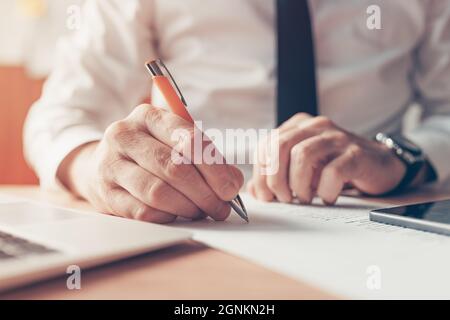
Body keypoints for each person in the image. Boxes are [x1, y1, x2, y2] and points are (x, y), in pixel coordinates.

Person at [24, 1, 450, 223]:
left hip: (376, 215)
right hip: (197, 224)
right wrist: (94, 170)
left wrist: (401, 156)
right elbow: (58, 117)